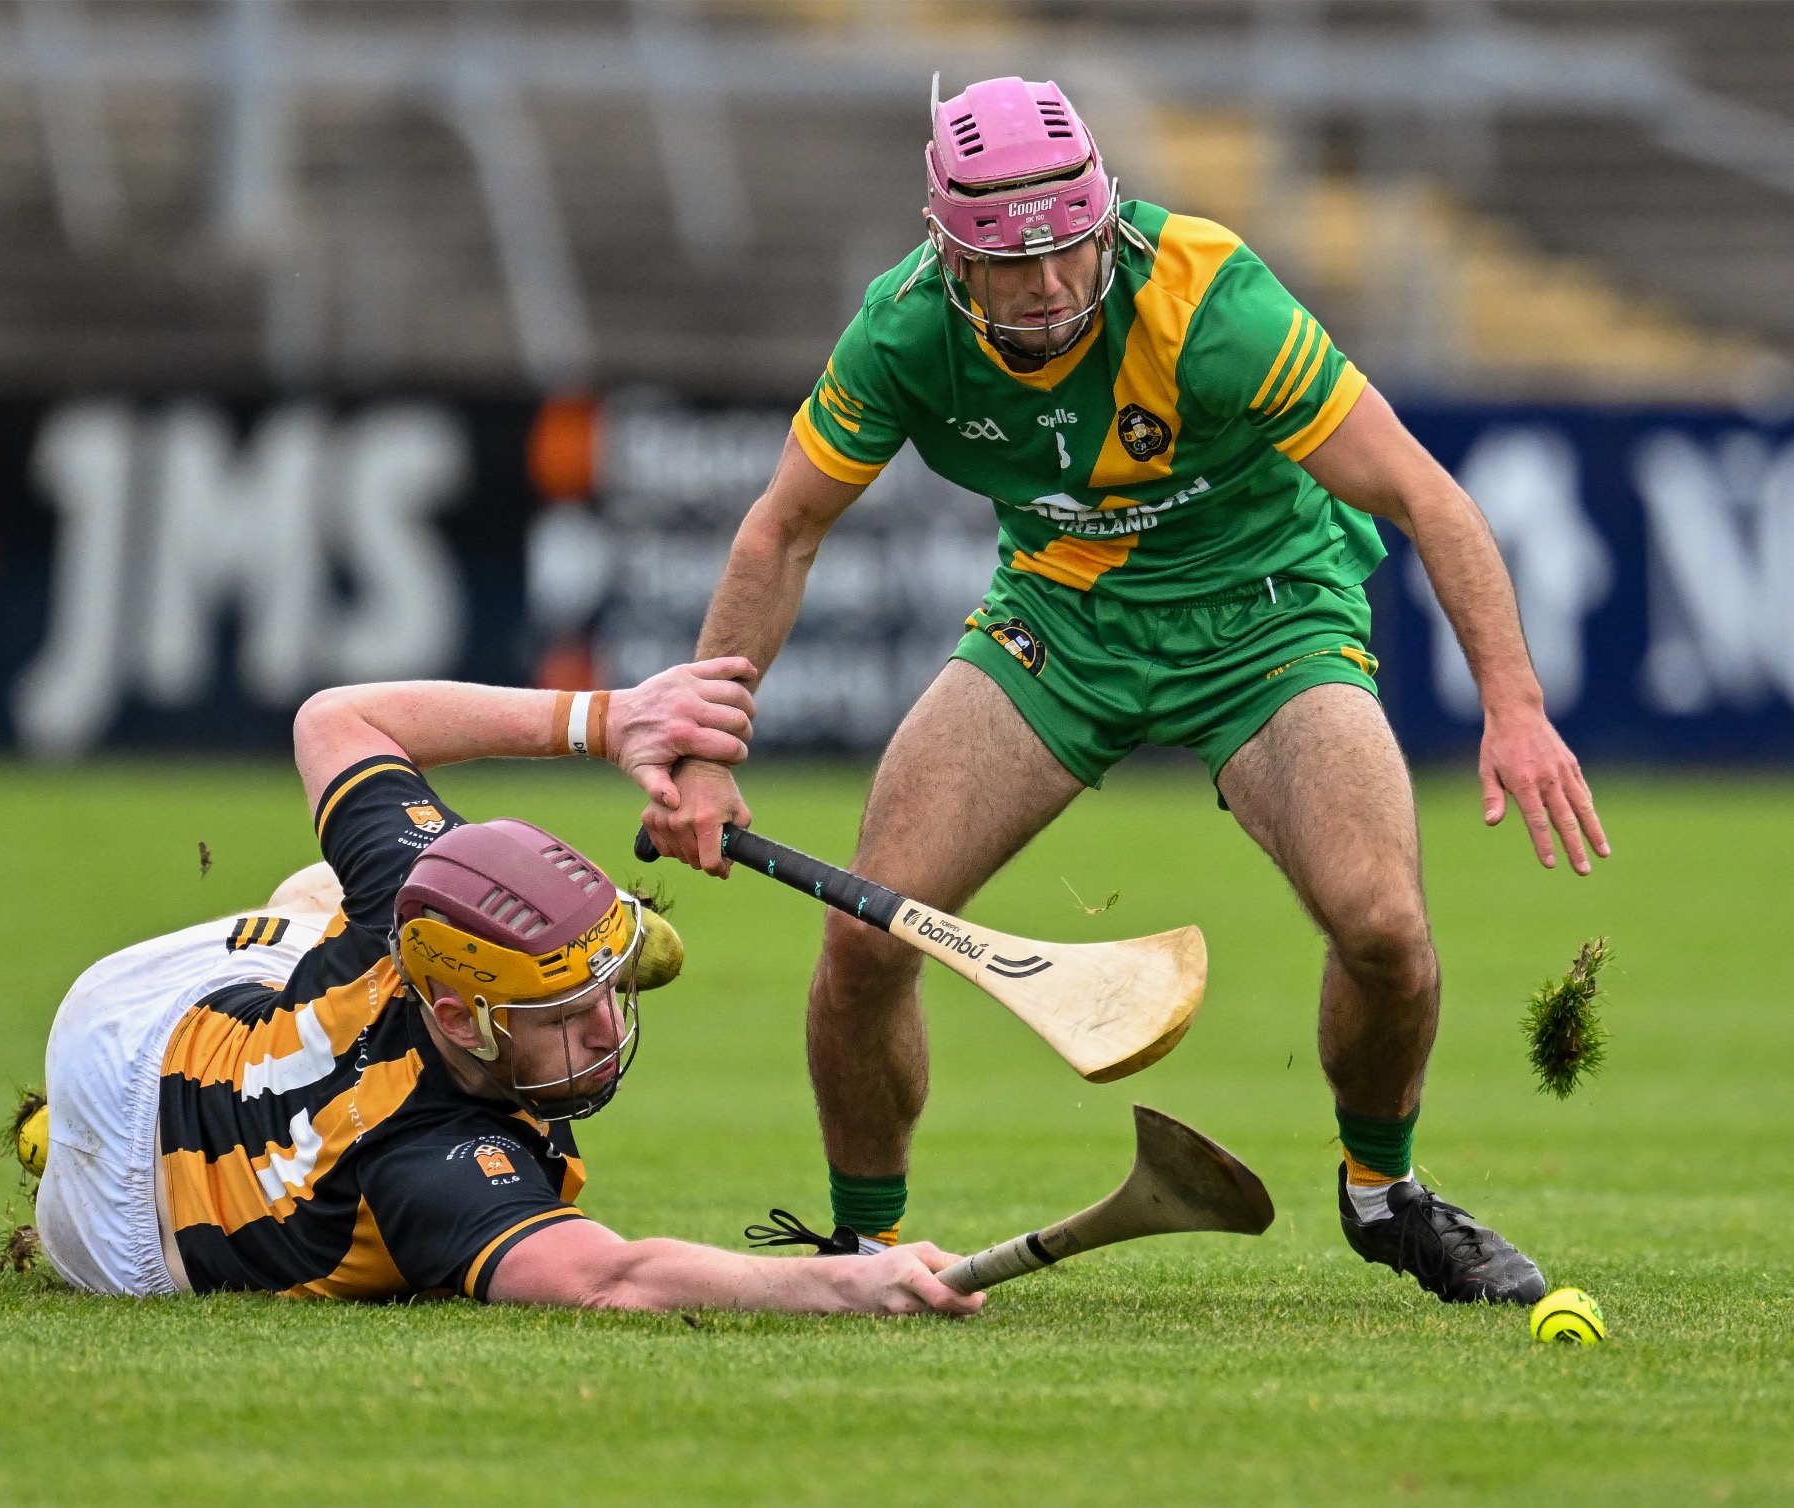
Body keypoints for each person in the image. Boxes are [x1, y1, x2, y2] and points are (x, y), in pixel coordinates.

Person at [640, 76, 1612, 1306]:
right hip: (1057, 629)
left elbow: (1427, 496)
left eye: (1071, 245)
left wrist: (1514, 708)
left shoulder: (1208, 298)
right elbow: (781, 530)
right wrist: (706, 745)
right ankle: (860, 1247)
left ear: (1106, 216)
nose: (1048, 283)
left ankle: (1384, 1192)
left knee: (1384, 927)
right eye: (1013, 263)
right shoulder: (900, 332)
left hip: (1267, 621)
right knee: (865, 937)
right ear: (951, 256)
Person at [30, 661, 981, 1317]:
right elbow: (613, 1276)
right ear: (462, 1018)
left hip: (164, 1016)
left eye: (605, 992)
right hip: (121, 1237)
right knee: (325, 903)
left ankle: (588, 938)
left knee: (331, 892)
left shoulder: (412, 890)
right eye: (566, 1015)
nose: (607, 1032)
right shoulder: (431, 1162)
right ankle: (54, 1149)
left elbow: (332, 718)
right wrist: (856, 1285)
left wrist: (607, 720)